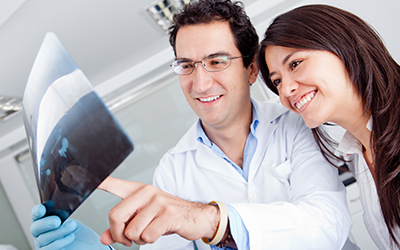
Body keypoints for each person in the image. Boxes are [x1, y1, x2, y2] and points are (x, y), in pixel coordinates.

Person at [30, 0, 352, 249]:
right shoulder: (172, 171)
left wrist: (207, 220)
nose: (199, 84)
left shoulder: (296, 125)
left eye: (216, 62)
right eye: (186, 66)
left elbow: (328, 225)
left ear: (251, 69)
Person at [258, 4, 400, 249]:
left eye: (295, 64)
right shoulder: (359, 155)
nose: (286, 90)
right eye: (277, 81)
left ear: (343, 46)